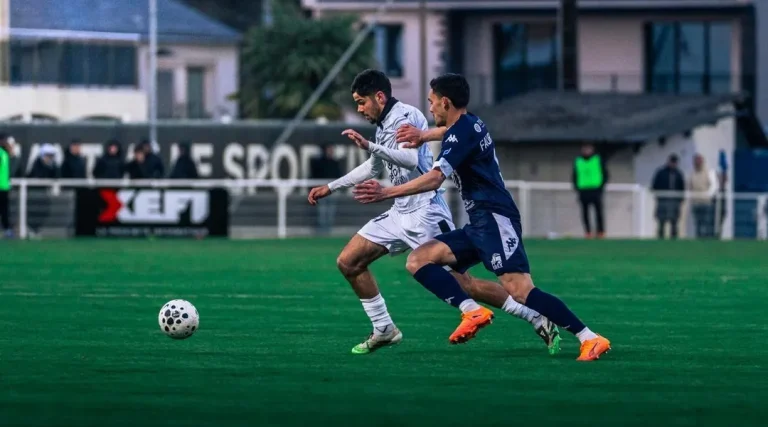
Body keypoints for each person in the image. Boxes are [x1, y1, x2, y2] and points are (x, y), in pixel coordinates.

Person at [355, 73, 610, 361]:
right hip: (479, 223)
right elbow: (449, 133)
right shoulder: (469, 123)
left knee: (521, 290)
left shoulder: (461, 132)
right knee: (419, 260)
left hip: (496, 219)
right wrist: (424, 135)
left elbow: (435, 178)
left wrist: (386, 192)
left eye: (432, 102)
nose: (430, 108)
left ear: (446, 102)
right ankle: (472, 311)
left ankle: (589, 337)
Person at [308, 69, 560, 355]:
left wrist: (370, 146)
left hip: (425, 211)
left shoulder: (406, 116)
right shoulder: (382, 125)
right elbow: (374, 166)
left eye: (361, 102)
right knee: (349, 262)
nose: (359, 109)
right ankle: (384, 328)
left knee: (464, 283)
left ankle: (535, 316)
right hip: (399, 211)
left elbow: (409, 159)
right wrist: (331, 186)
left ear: (379, 97)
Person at [572, 144, 608, 238]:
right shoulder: (578, 161)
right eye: (585, 149)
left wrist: (601, 186)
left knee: (598, 211)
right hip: (583, 190)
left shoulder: (597, 159)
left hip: (596, 189)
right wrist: (576, 187)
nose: (586, 151)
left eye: (588, 149)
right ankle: (588, 232)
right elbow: (574, 175)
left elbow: (605, 173)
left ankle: (600, 231)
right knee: (585, 212)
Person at [651, 154, 685, 239]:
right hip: (663, 200)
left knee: (674, 222)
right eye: (672, 161)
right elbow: (654, 186)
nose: (673, 164)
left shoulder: (678, 174)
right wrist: (659, 196)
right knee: (661, 222)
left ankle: (674, 241)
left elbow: (682, 188)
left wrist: (680, 200)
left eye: (675, 162)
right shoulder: (661, 173)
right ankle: (660, 240)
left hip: (674, 201)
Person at [0, 133, 12, 238]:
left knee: (4, 210)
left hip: (4, 187)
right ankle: (7, 229)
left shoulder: (4, 153)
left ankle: (7, 229)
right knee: (4, 210)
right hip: (2, 187)